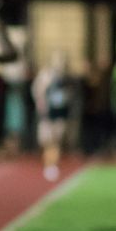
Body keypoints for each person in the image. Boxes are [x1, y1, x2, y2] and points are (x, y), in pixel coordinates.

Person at [33, 51, 76, 181]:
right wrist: (41, 106)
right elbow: (38, 93)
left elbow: (69, 96)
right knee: (47, 141)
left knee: (56, 140)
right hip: (47, 114)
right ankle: (49, 164)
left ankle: (53, 164)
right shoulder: (45, 77)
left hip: (59, 114)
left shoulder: (66, 79)